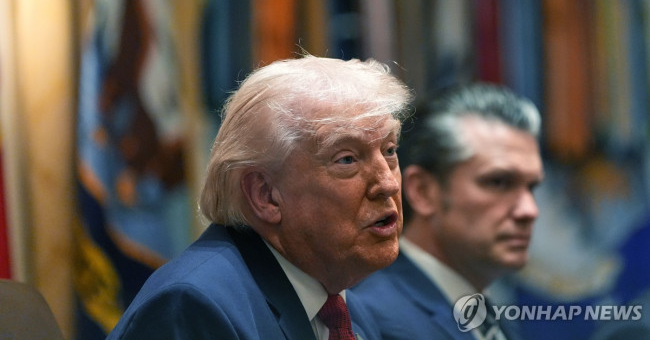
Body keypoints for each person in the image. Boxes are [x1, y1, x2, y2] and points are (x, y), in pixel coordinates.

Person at [107, 54, 413, 340]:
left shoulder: (346, 310)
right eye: (347, 159)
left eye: (389, 151)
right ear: (265, 195)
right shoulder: (194, 306)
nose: (387, 183)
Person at [353, 82, 544, 340]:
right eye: (498, 182)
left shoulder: (488, 314)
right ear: (423, 191)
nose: (529, 210)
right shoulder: (374, 319)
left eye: (531, 187)